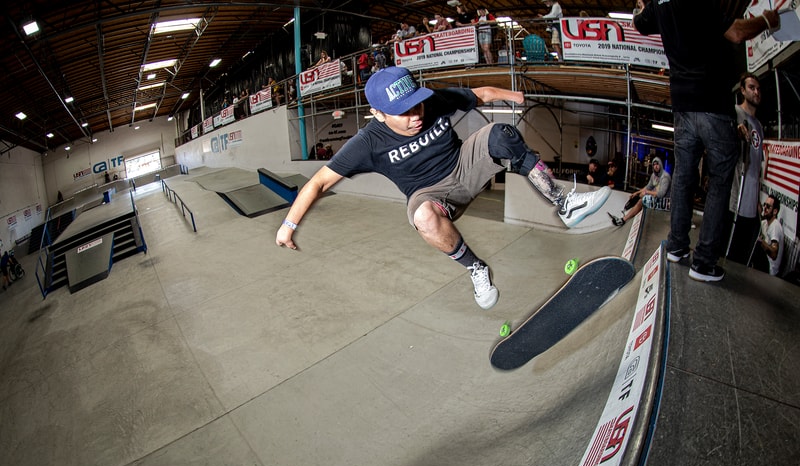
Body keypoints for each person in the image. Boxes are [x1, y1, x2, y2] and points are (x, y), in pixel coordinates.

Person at [275, 67, 611, 309]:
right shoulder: (366, 143)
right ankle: (476, 268)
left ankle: (564, 204)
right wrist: (289, 226)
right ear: (377, 113)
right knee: (421, 216)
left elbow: (481, 94)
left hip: (466, 163)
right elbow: (318, 181)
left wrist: (515, 95)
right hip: (432, 194)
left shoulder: (433, 101)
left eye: (417, 105)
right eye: (403, 113)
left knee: (500, 133)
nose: (416, 115)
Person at [634, 2, 780, 282]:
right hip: (711, 100)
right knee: (720, 178)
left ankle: (676, 246)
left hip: (682, 105)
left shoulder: (658, 4)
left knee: (684, 175)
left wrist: (639, 7)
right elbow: (737, 32)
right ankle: (703, 263)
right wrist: (766, 19)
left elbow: (638, 23)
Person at [724, 72, 764, 264]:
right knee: (727, 252)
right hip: (734, 198)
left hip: (750, 204)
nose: (756, 92)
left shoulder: (759, 126)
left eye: (758, 88)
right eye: (751, 88)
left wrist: (757, 199)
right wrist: (735, 131)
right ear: (742, 90)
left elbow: (757, 166)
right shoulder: (735, 113)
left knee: (740, 258)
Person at [609, 157, 670, 226]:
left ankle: (623, 220)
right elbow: (647, 187)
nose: (655, 166)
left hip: (664, 202)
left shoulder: (665, 177)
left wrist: (647, 192)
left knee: (642, 200)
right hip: (656, 198)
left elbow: (661, 194)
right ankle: (626, 211)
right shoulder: (654, 176)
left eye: (657, 165)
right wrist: (636, 193)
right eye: (654, 165)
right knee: (639, 195)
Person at [754, 195, 784, 276]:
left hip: (770, 270)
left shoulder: (775, 226)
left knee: (757, 244)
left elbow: (774, 254)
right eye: (764, 204)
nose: (765, 208)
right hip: (764, 264)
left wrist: (761, 242)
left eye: (768, 206)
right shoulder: (765, 223)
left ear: (775, 211)